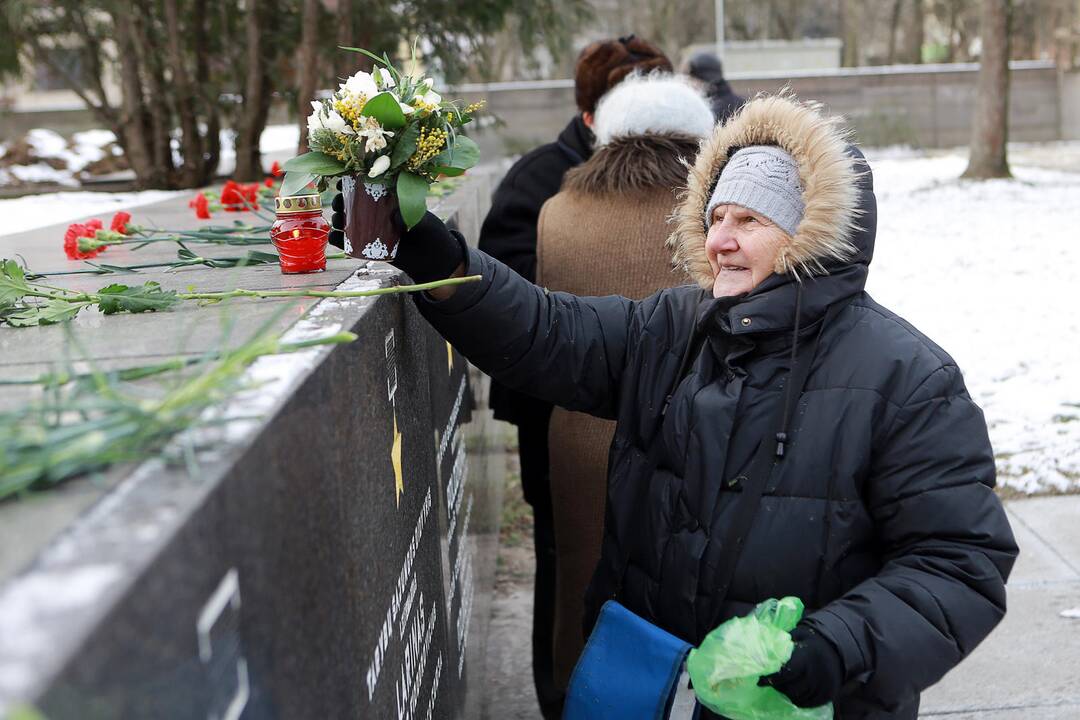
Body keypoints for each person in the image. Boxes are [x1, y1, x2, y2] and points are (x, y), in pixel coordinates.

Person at [350, 94, 1018, 717]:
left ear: (809, 236)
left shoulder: (907, 378)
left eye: (750, 221)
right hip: (651, 688)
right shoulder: (673, 327)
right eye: (717, 217)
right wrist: (428, 250)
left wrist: (837, 647)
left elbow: (960, 560)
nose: (721, 240)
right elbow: (543, 331)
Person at [476, 34, 671, 718]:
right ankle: (561, 694)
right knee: (567, 570)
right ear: (591, 115)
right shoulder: (541, 183)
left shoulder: (695, 180)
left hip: (662, 422)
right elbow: (509, 306)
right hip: (559, 420)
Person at [535, 72, 714, 696]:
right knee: (697, 590)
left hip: (582, 436)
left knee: (585, 589)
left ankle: (580, 700)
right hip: (702, 430)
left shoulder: (557, 214)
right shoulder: (716, 217)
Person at [685, 51, 744, 123]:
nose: (690, 84)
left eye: (693, 79)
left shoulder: (711, 110)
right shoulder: (741, 103)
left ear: (707, 79)